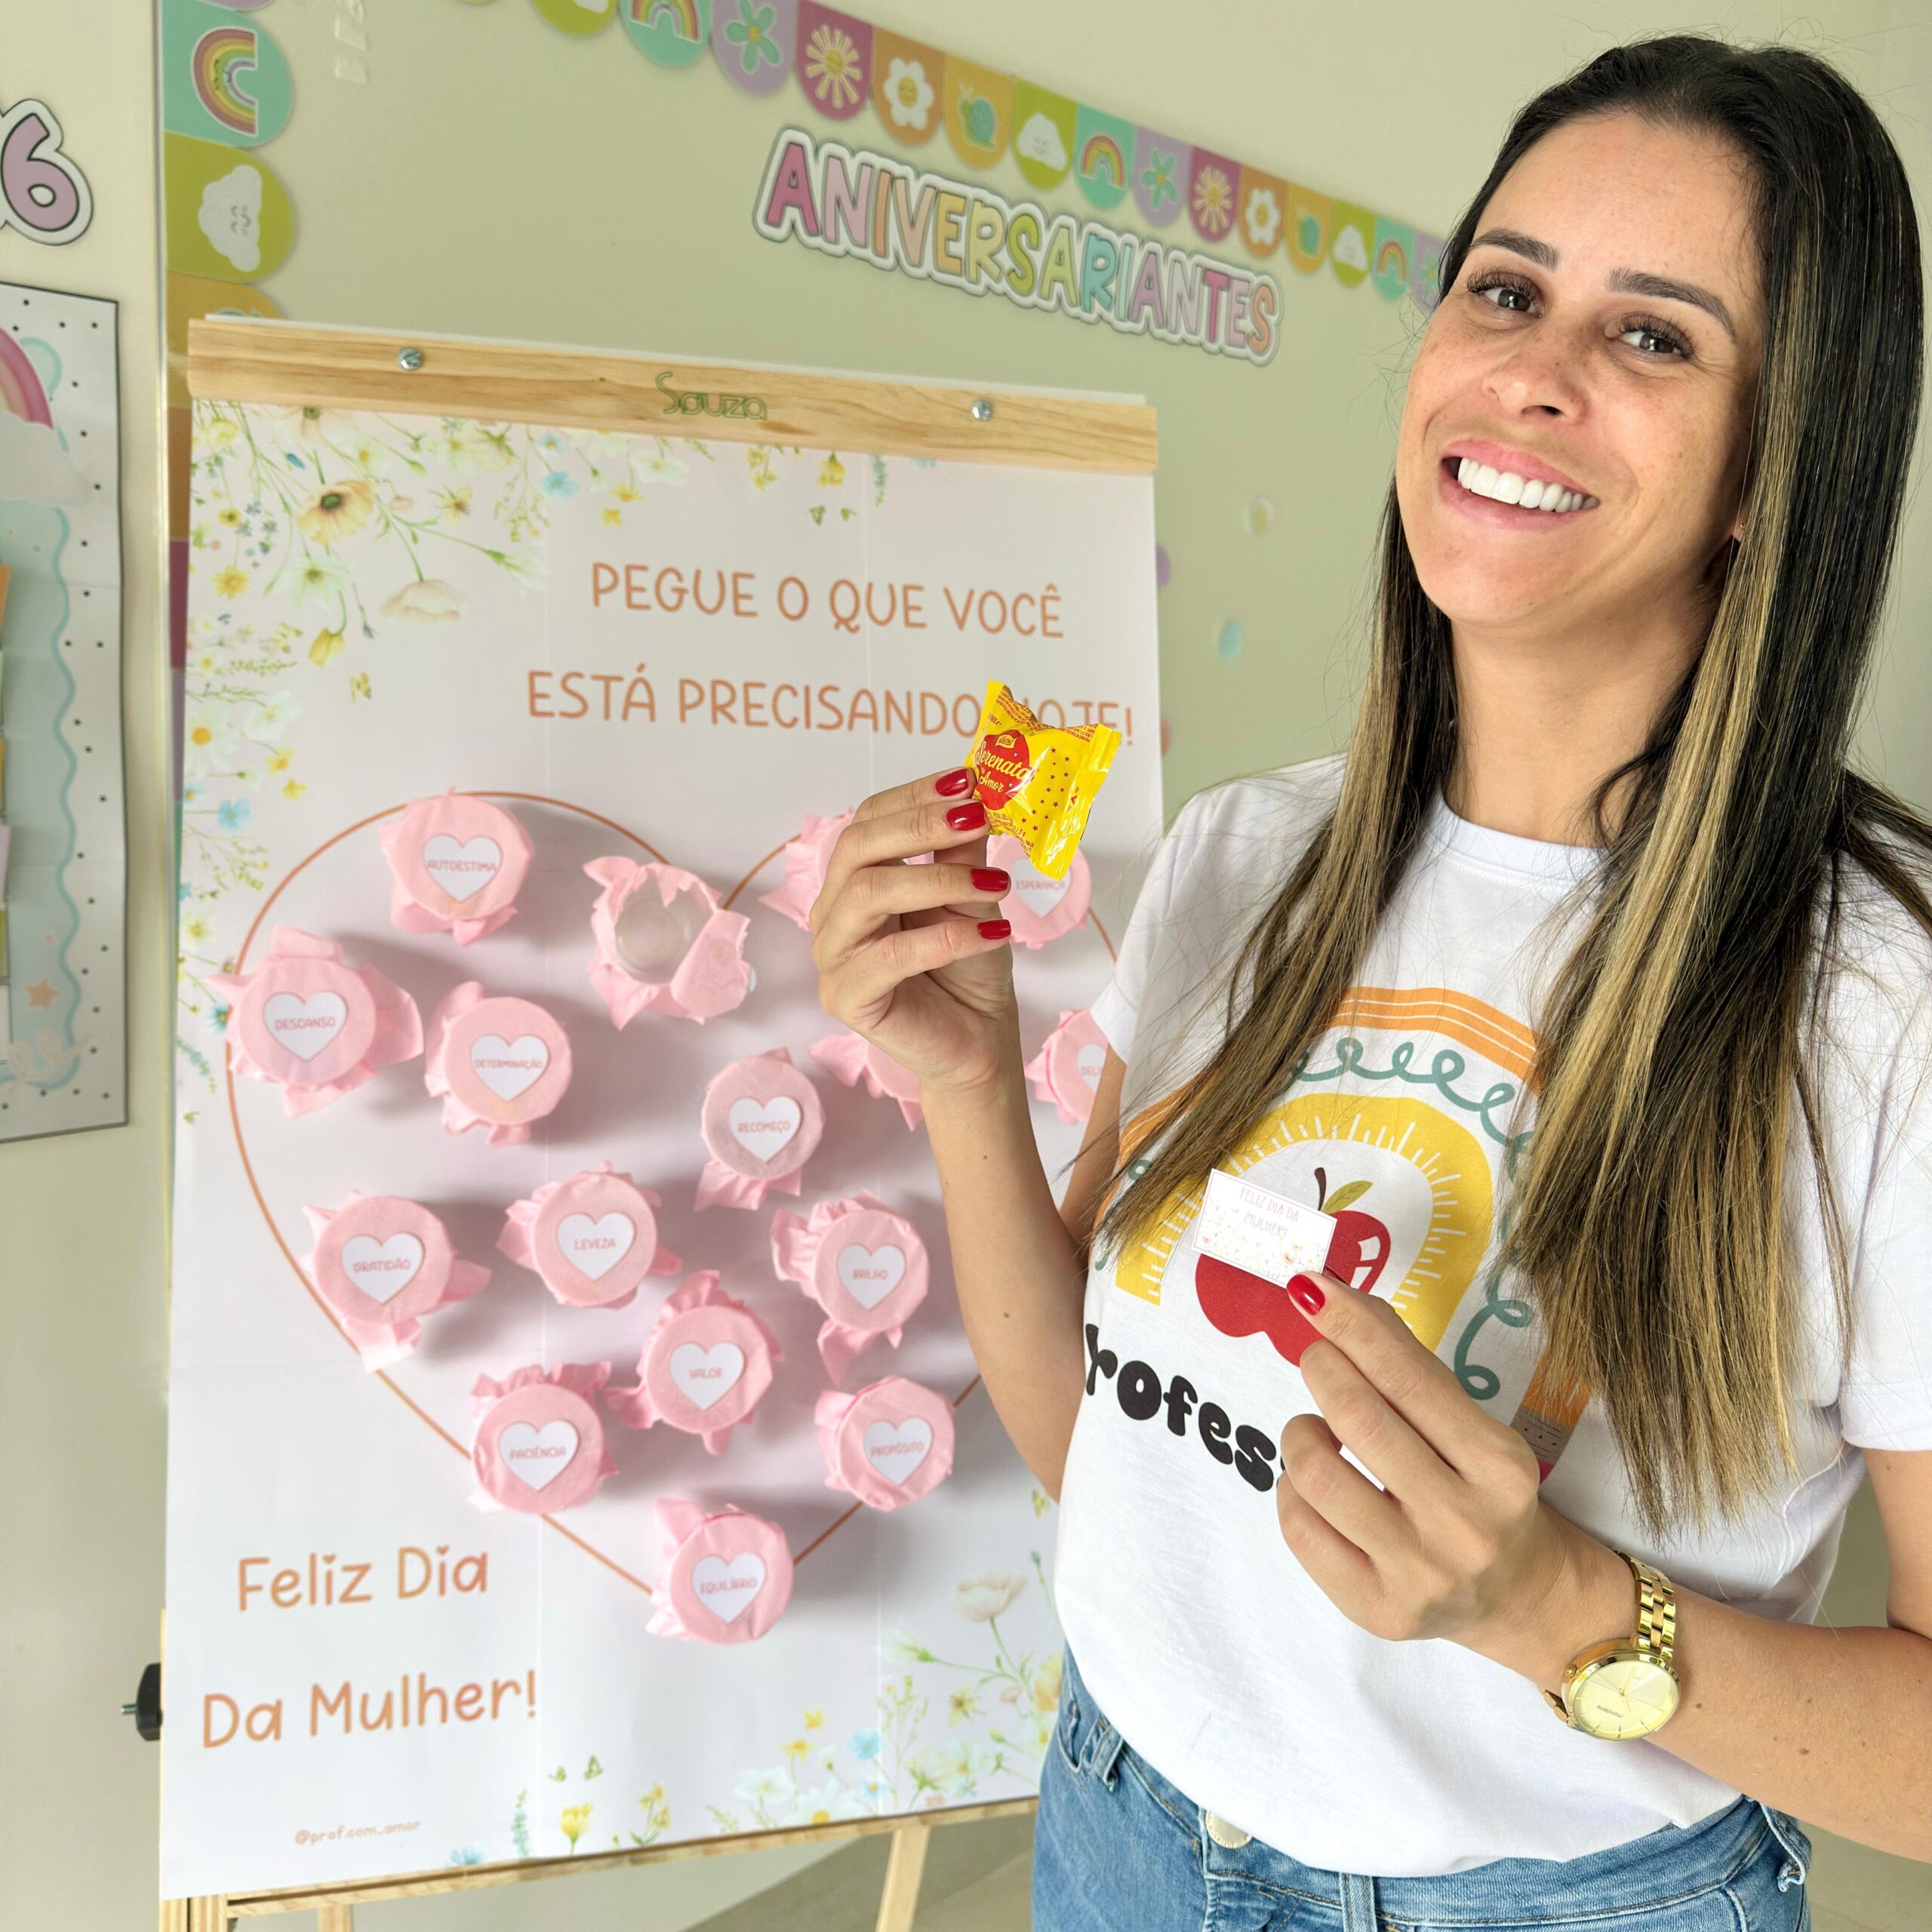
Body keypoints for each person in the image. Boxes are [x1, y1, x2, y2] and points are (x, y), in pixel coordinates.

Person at [812, 34, 1932, 1930]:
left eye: (1653, 337)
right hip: (1119, 1819)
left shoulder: (1874, 1013)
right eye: (1503, 289)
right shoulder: (1245, 859)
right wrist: (962, 1083)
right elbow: (1109, 1448)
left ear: (1775, 468)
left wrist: (1566, 1613)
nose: (1531, 371)